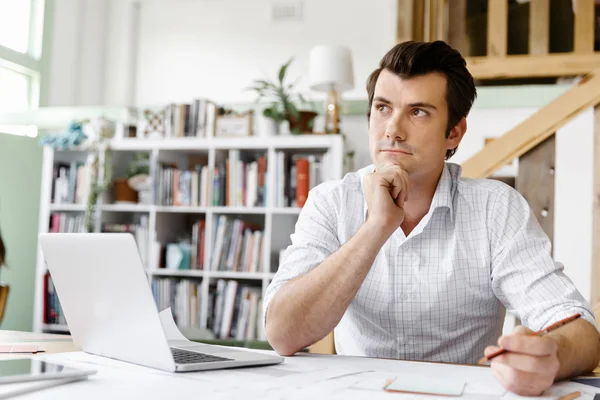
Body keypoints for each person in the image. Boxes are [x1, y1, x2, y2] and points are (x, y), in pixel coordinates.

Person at [263, 40, 600, 396]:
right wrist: (376, 227)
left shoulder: (495, 208)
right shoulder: (330, 202)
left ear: (453, 132)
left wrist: (551, 355)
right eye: (382, 108)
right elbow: (282, 334)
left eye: (418, 112)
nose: (392, 129)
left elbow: (582, 332)